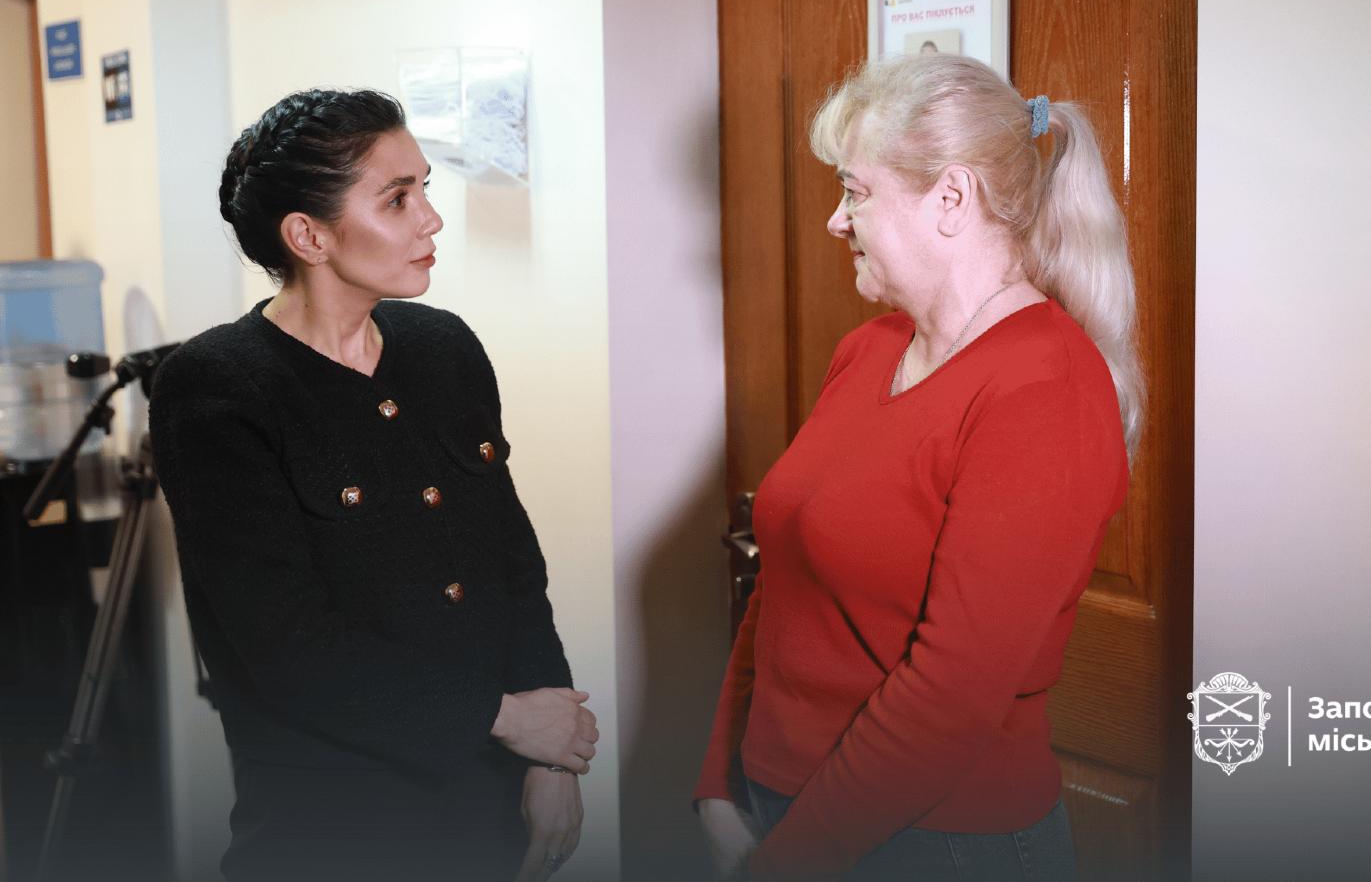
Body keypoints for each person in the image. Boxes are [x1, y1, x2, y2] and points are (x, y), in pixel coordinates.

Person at [694, 54, 1142, 880]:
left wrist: (785, 863)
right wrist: (720, 782)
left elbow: (951, 696)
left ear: (951, 198)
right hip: (781, 808)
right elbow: (782, 582)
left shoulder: (1045, 390)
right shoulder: (870, 350)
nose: (837, 220)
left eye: (855, 191)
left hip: (938, 844)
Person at [148, 89, 597, 882]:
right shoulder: (216, 386)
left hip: (491, 807)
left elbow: (513, 567)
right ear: (309, 236)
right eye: (398, 198)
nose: (432, 219)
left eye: (425, 188)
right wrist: (506, 719)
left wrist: (552, 756)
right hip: (333, 826)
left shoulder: (443, 347)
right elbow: (287, 647)